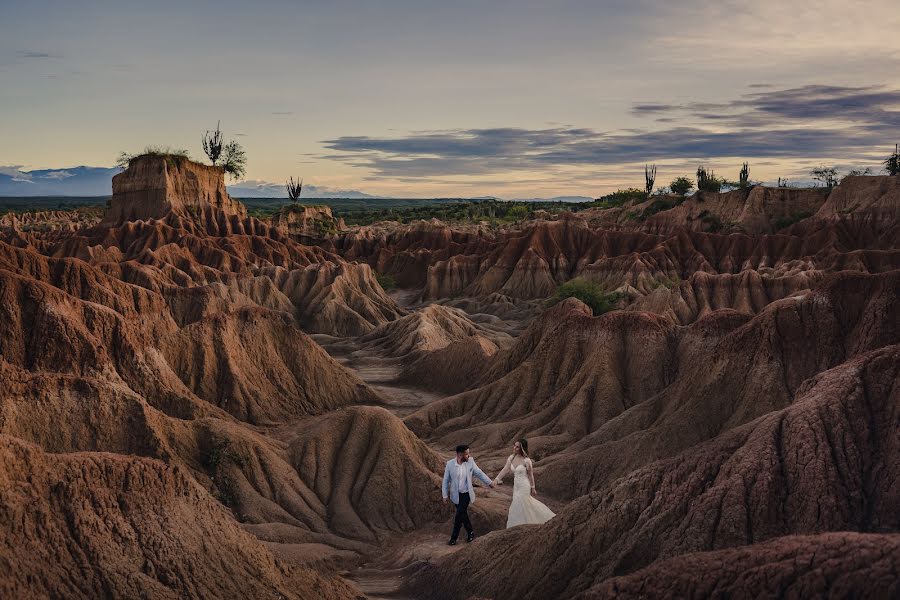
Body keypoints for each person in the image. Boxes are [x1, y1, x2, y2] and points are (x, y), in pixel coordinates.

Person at [492, 439, 555, 528]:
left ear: (522, 448)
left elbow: (530, 475)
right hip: (516, 486)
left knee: (521, 503)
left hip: (524, 486)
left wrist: (533, 487)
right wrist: (496, 479)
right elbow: (505, 469)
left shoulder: (527, 461)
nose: (514, 448)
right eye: (514, 445)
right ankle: (519, 525)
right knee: (518, 504)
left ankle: (526, 524)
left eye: (517, 447)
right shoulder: (511, 458)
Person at [441, 444, 494, 545]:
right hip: (455, 495)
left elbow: (479, 473)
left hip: (466, 494)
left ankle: (453, 538)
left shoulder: (470, 462)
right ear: (460, 455)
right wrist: (445, 495)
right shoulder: (450, 464)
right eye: (467, 454)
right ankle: (470, 532)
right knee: (463, 515)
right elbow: (446, 480)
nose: (469, 456)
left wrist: (489, 482)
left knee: (459, 514)